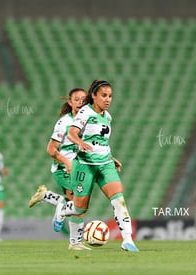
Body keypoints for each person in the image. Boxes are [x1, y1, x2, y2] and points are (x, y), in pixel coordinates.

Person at [53, 80, 139, 252]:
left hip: (105, 164)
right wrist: (80, 142)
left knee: (118, 200)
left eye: (110, 96)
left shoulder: (107, 116)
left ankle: (128, 240)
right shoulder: (85, 112)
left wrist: (111, 157)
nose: (108, 100)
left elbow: (101, 141)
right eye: (104, 96)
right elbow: (72, 133)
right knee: (79, 207)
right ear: (93, 96)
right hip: (84, 165)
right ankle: (63, 212)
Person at [28, 87, 90, 250]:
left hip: (81, 169)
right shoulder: (64, 122)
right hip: (64, 169)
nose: (80, 102)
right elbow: (51, 149)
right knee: (79, 204)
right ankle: (75, 242)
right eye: (76, 99)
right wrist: (66, 162)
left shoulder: (89, 120)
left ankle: (47, 197)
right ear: (70, 102)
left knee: (77, 204)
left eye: (84, 99)